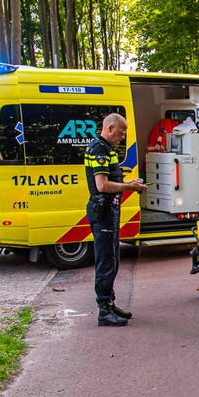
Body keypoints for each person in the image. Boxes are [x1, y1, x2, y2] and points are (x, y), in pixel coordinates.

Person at [85, 113, 148, 327]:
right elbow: (102, 185)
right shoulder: (99, 150)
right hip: (103, 211)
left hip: (109, 210)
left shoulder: (106, 148)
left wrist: (129, 181)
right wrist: (130, 187)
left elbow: (111, 180)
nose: (122, 138)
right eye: (120, 133)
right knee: (106, 261)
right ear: (110, 129)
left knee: (112, 259)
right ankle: (104, 310)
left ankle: (109, 303)